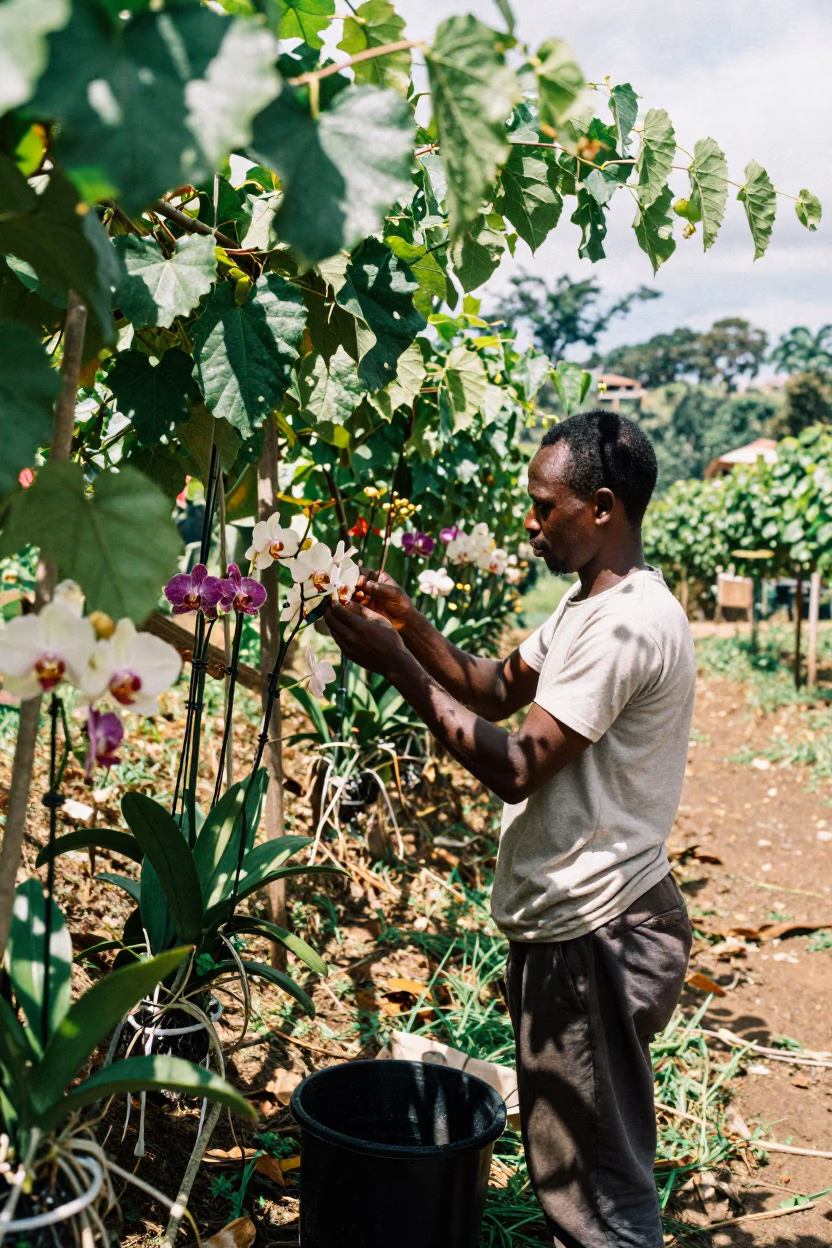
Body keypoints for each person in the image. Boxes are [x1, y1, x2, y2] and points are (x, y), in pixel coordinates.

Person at [325, 410, 695, 1248]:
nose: (528, 523)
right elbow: (495, 689)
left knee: (597, 1200)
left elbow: (516, 764)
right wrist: (408, 619)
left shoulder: (626, 625)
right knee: (581, 1173)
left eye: (542, 506)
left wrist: (394, 668)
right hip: (575, 925)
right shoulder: (582, 609)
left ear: (602, 507)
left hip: (599, 934)